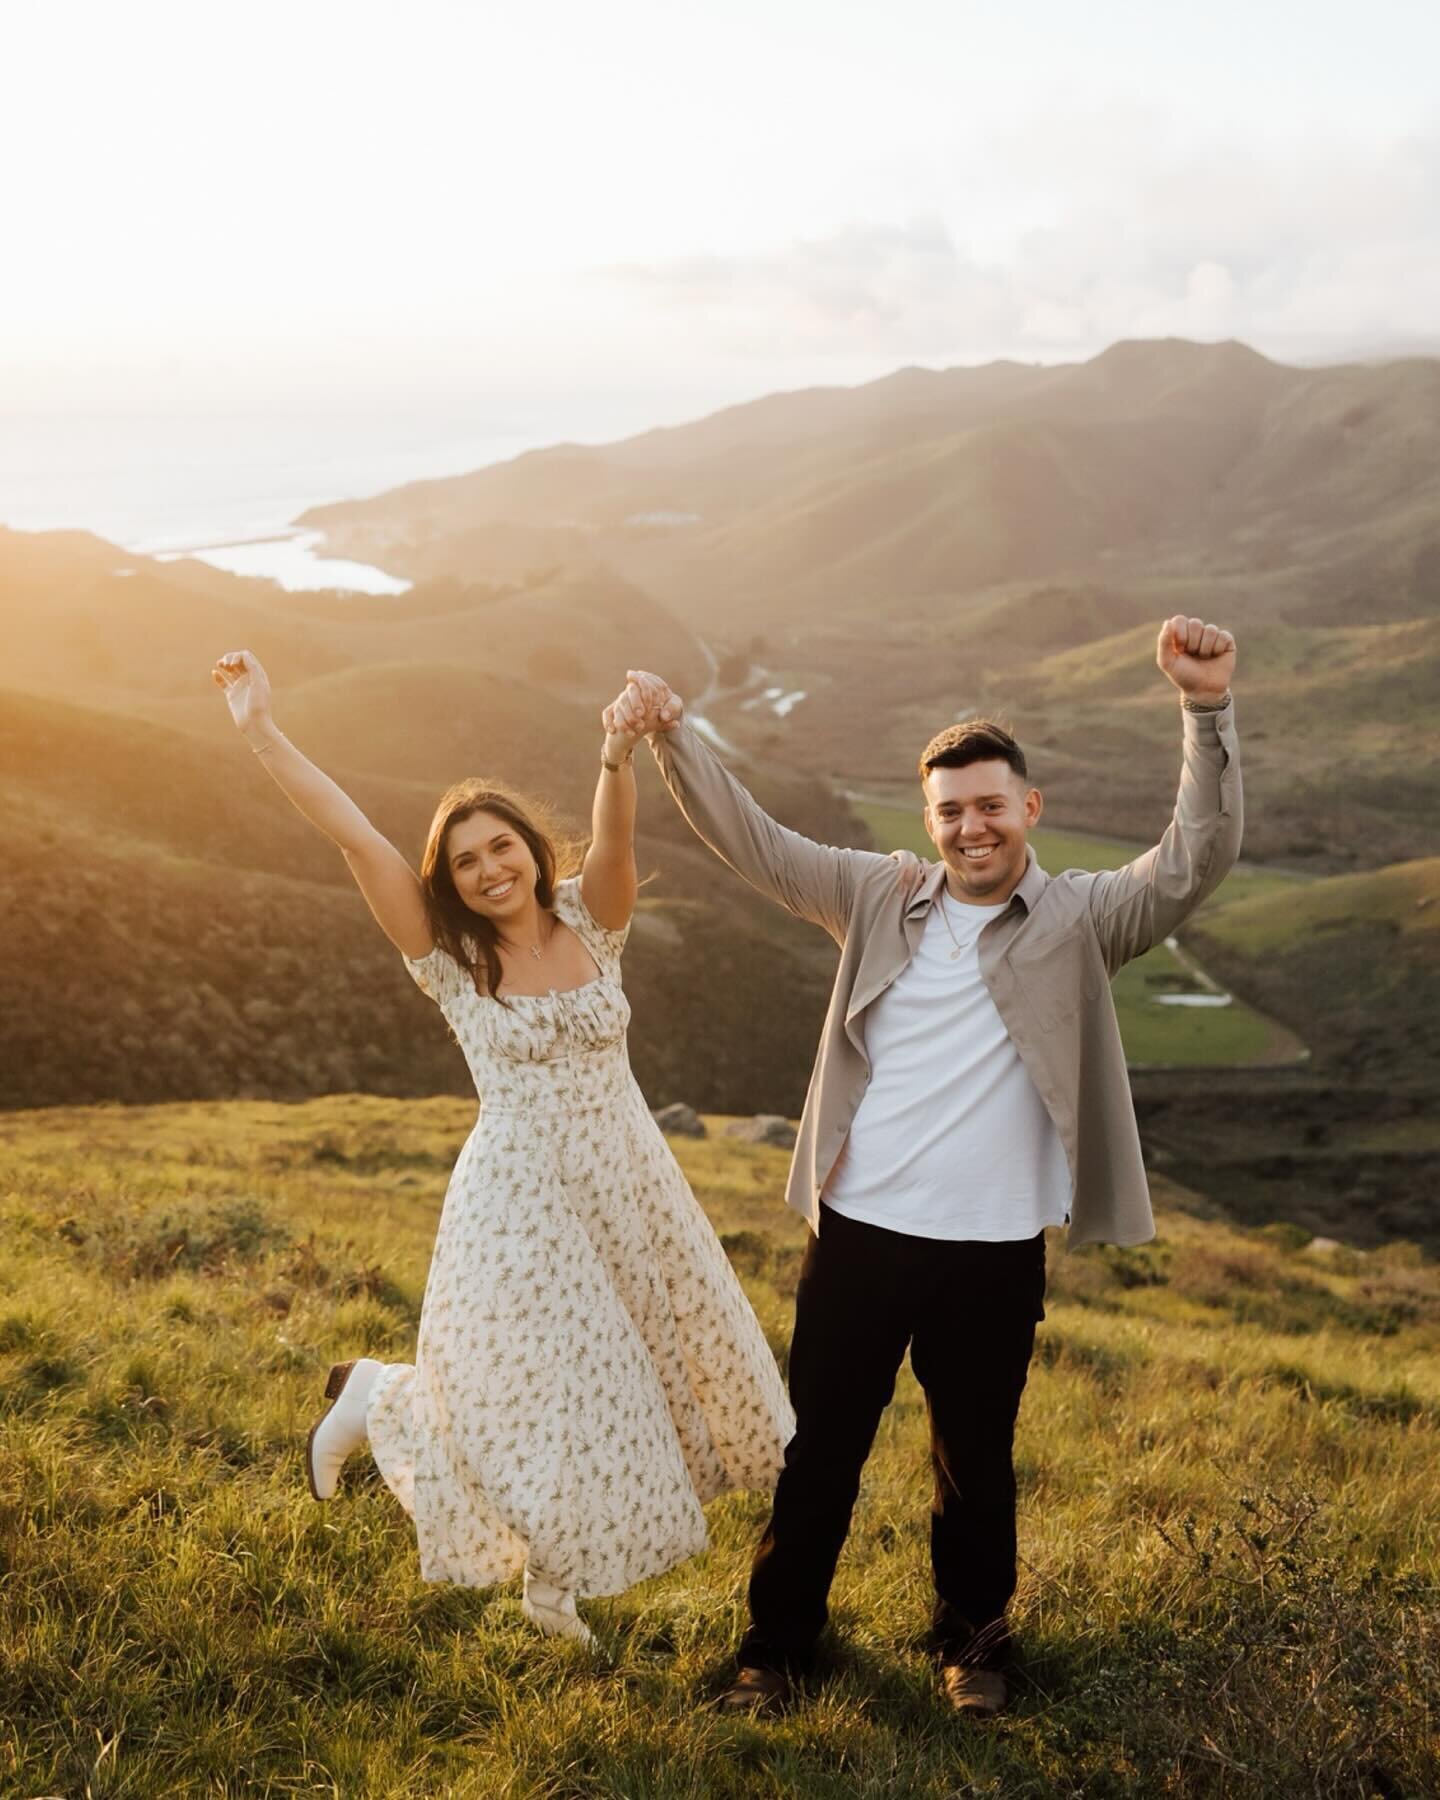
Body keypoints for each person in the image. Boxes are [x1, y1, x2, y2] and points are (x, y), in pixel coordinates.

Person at [605, 615, 1241, 1712]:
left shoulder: (1083, 916)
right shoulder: (878, 895)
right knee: (819, 1461)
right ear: (930, 819)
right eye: (950, 810)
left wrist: (1206, 707)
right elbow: (755, 842)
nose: (970, 827)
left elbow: (1197, 857)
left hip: (993, 1250)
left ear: (1028, 810)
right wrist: (674, 736)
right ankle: (776, 1650)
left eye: (990, 805)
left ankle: (973, 1650)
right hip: (857, 1235)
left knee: (975, 1468)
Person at [212, 649, 793, 1645]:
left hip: (627, 1182)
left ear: (530, 847)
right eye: (464, 861)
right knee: (525, 1395)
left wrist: (616, 747)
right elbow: (354, 838)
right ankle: (383, 1404)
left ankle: (546, 1579)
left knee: (623, 1384)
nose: (486, 871)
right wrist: (259, 728)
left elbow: (616, 831)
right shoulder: (447, 959)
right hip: (519, 1196)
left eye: (499, 848)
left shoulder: (590, 922)